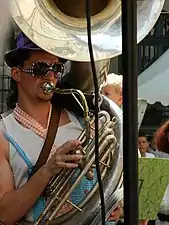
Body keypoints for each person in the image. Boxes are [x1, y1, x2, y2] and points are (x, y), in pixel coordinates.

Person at [0, 32, 119, 224]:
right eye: (40, 68)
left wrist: (114, 204)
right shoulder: (4, 134)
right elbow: (4, 214)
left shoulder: (84, 123)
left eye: (56, 68)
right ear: (16, 73)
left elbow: (107, 183)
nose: (50, 76)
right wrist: (48, 170)